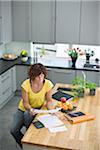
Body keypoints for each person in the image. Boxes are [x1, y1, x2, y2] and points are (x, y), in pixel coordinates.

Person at [10, 63, 55, 149]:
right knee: (13, 130)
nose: (41, 78)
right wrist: (30, 109)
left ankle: (30, 140)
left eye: (42, 76)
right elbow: (25, 103)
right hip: (24, 108)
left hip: (39, 109)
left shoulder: (48, 84)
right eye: (38, 76)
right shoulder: (26, 84)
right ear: (33, 76)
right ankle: (24, 145)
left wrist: (51, 111)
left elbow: (49, 101)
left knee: (28, 118)